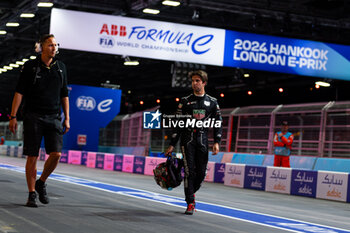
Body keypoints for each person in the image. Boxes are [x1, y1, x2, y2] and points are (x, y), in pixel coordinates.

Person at [9, 34, 70, 207]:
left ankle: (41, 181)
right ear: (42, 47)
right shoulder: (30, 66)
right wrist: (13, 116)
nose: (54, 48)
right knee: (32, 157)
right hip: (33, 116)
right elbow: (19, 92)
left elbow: (64, 94)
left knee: (56, 154)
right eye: (50, 45)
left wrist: (67, 118)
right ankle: (31, 193)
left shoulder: (61, 67)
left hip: (54, 117)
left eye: (56, 45)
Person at [166, 70, 222, 215]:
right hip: (187, 139)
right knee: (190, 172)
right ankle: (190, 202)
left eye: (197, 80)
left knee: (201, 173)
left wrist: (217, 141)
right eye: (193, 81)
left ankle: (190, 191)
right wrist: (172, 144)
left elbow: (218, 123)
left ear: (204, 82)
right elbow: (177, 125)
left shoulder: (213, 102)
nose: (194, 83)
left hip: (203, 140)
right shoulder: (184, 101)